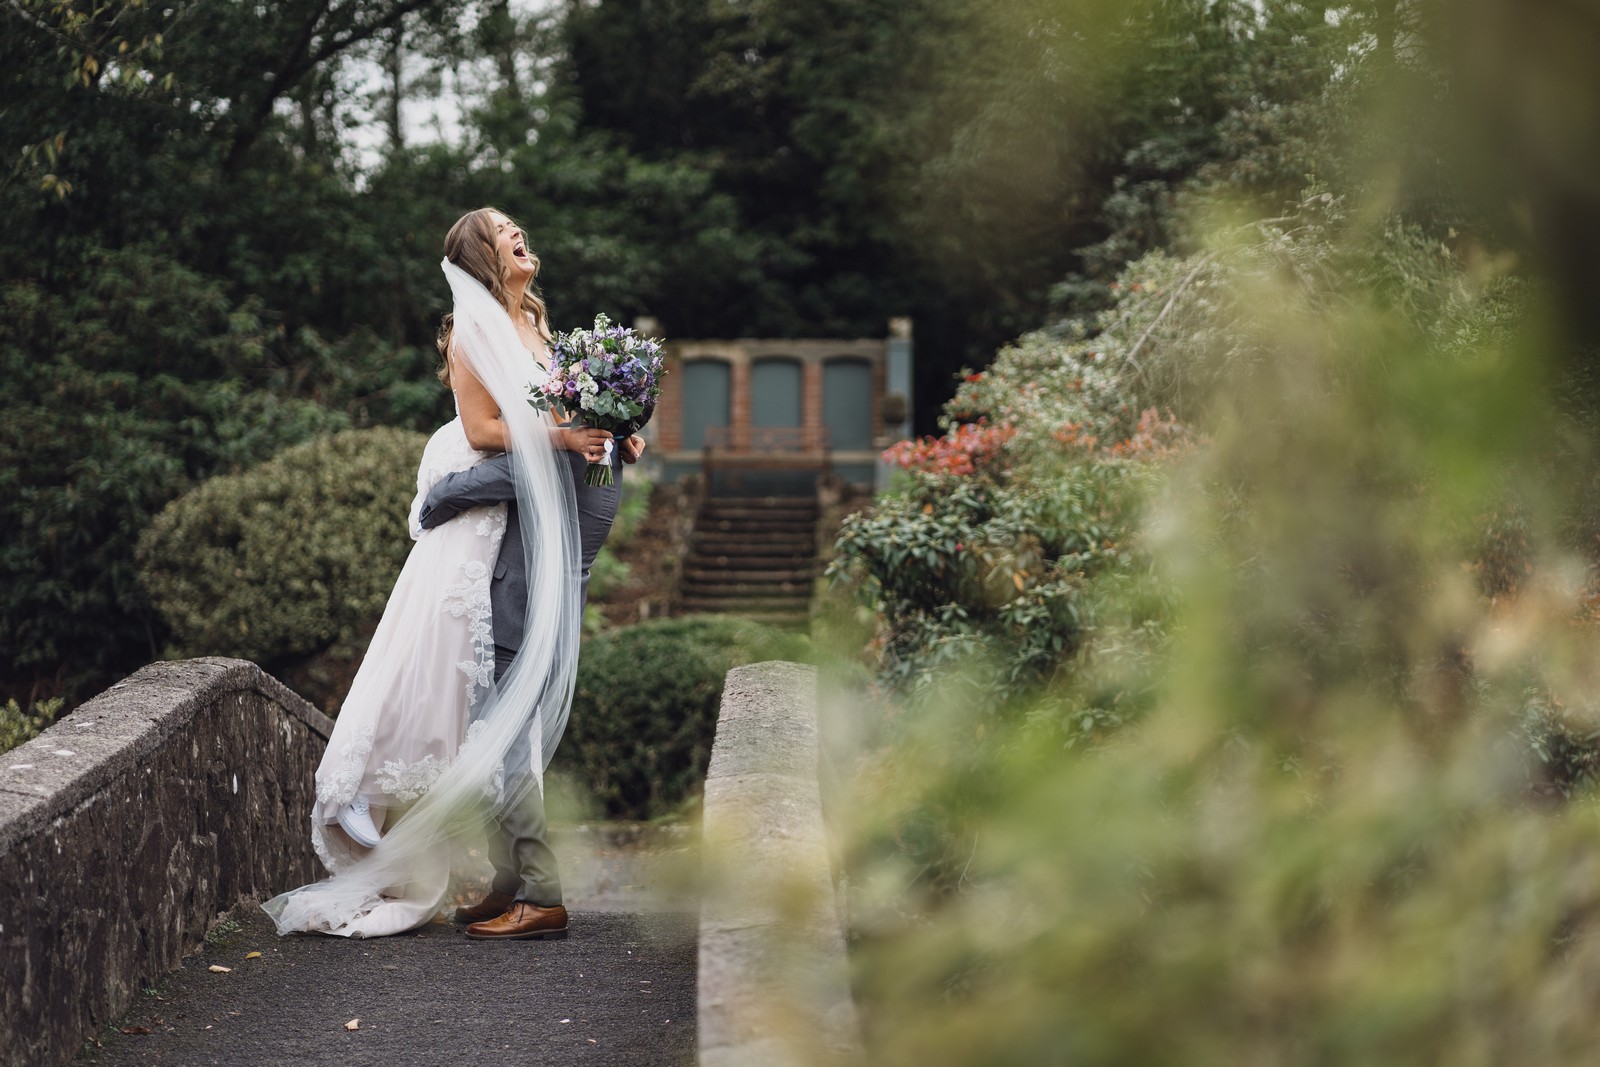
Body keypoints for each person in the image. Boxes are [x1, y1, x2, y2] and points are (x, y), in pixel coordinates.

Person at [263, 207, 607, 937]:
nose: (520, 231)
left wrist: (609, 435)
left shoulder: (540, 327)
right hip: (487, 527)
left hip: (531, 533)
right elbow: (485, 432)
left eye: (517, 223)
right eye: (503, 227)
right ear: (482, 254)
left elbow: (568, 419)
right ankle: (522, 883)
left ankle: (522, 884)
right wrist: (561, 438)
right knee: (469, 704)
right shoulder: (472, 329)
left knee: (491, 711)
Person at [416, 408, 644, 939]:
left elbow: (473, 485)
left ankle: (543, 895)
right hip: (554, 620)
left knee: (510, 753)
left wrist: (431, 499)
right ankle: (508, 880)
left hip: (519, 618)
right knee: (498, 751)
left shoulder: (561, 462)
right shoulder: (608, 461)